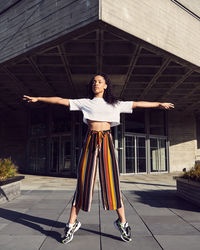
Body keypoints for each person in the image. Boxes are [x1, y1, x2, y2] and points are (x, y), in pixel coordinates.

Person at [23, 73, 174, 244]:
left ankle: (122, 223)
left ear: (105, 86)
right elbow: (60, 100)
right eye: (94, 82)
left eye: (99, 81)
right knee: (83, 183)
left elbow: (138, 103)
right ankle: (71, 224)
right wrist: (38, 98)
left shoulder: (115, 104)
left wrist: (159, 104)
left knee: (112, 182)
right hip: (90, 140)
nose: (96, 83)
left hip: (107, 141)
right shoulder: (85, 103)